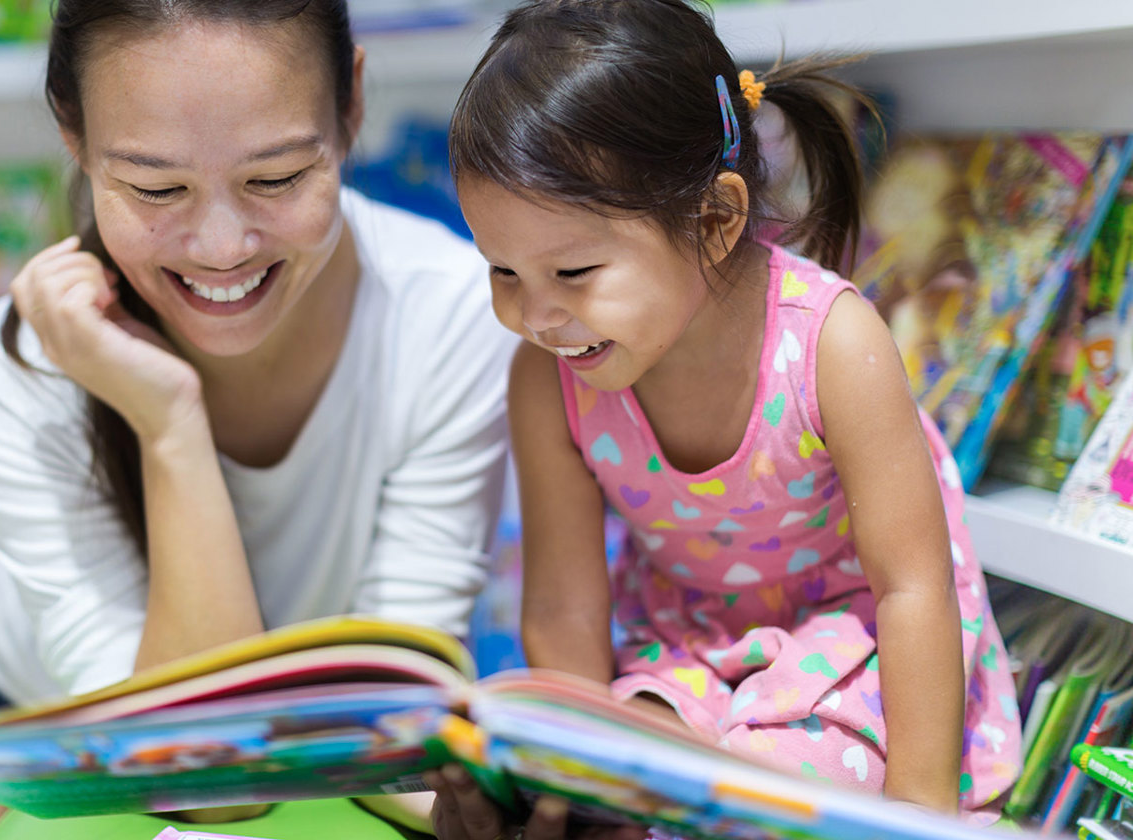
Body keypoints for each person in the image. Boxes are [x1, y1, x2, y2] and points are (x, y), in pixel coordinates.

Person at [0, 2, 515, 838]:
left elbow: (390, 715)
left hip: (314, 721)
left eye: (276, 178)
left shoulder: (448, 320)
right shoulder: (6, 380)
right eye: (157, 187)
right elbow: (195, 775)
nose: (223, 247)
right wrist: (168, 423)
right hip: (20, 702)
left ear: (351, 108)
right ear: (72, 137)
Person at [427, 1, 1023, 837]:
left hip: (853, 646)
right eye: (502, 271)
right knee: (618, 805)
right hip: (687, 649)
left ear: (715, 220)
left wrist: (918, 811)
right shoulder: (548, 378)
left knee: (765, 801)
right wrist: (578, 773)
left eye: (573, 270)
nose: (536, 315)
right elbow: (564, 609)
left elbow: (913, 588)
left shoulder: (833, 343)